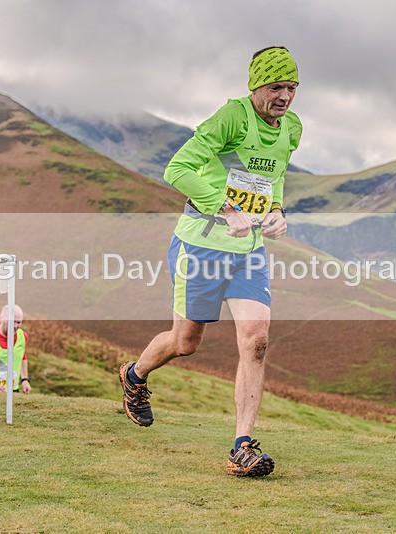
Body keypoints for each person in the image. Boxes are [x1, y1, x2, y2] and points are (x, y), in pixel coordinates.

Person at [119, 46, 302, 478]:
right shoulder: (231, 118)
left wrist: (277, 209)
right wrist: (226, 208)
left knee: (256, 340)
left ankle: (242, 446)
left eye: (292, 88)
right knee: (185, 343)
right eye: (276, 87)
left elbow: (275, 175)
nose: (285, 97)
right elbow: (178, 168)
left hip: (248, 252)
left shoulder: (292, 128)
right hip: (199, 246)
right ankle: (135, 374)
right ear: (256, 86)